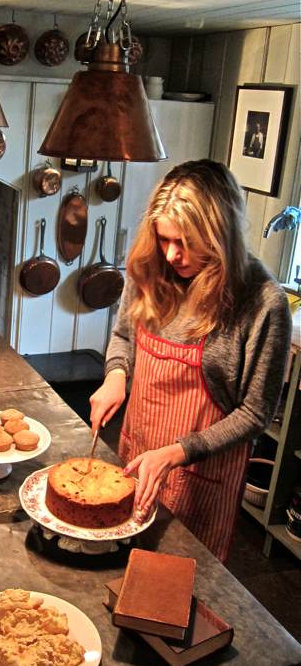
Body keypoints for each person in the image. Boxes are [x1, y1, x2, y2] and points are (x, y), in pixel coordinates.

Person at [89, 159, 291, 562]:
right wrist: (115, 375)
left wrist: (179, 451)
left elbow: (256, 413)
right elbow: (124, 336)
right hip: (139, 452)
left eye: (186, 243)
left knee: (176, 580)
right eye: (164, 239)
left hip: (201, 477)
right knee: (122, 562)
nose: (172, 254)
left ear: (219, 236)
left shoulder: (262, 302)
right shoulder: (151, 269)